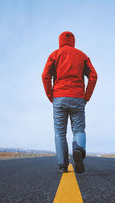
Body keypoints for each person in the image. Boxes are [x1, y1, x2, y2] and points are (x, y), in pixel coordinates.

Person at [42, 31, 98, 173]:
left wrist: (51, 95)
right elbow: (93, 75)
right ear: (73, 41)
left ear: (60, 41)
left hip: (59, 97)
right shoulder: (82, 55)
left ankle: (62, 165)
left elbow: (45, 75)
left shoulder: (54, 55)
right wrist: (86, 96)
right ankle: (78, 149)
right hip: (78, 98)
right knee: (78, 129)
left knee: (60, 133)